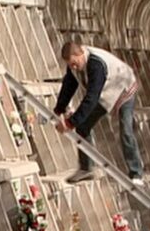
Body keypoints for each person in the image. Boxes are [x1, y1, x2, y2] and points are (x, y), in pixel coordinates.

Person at [53, 41, 144, 185]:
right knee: (83, 127)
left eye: (75, 63)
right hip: (105, 92)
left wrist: (70, 122)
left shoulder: (96, 65)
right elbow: (69, 85)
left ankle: (136, 173)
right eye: (70, 65)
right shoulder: (74, 66)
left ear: (81, 54)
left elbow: (91, 98)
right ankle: (86, 168)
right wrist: (59, 108)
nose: (73, 67)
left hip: (123, 87)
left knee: (126, 130)